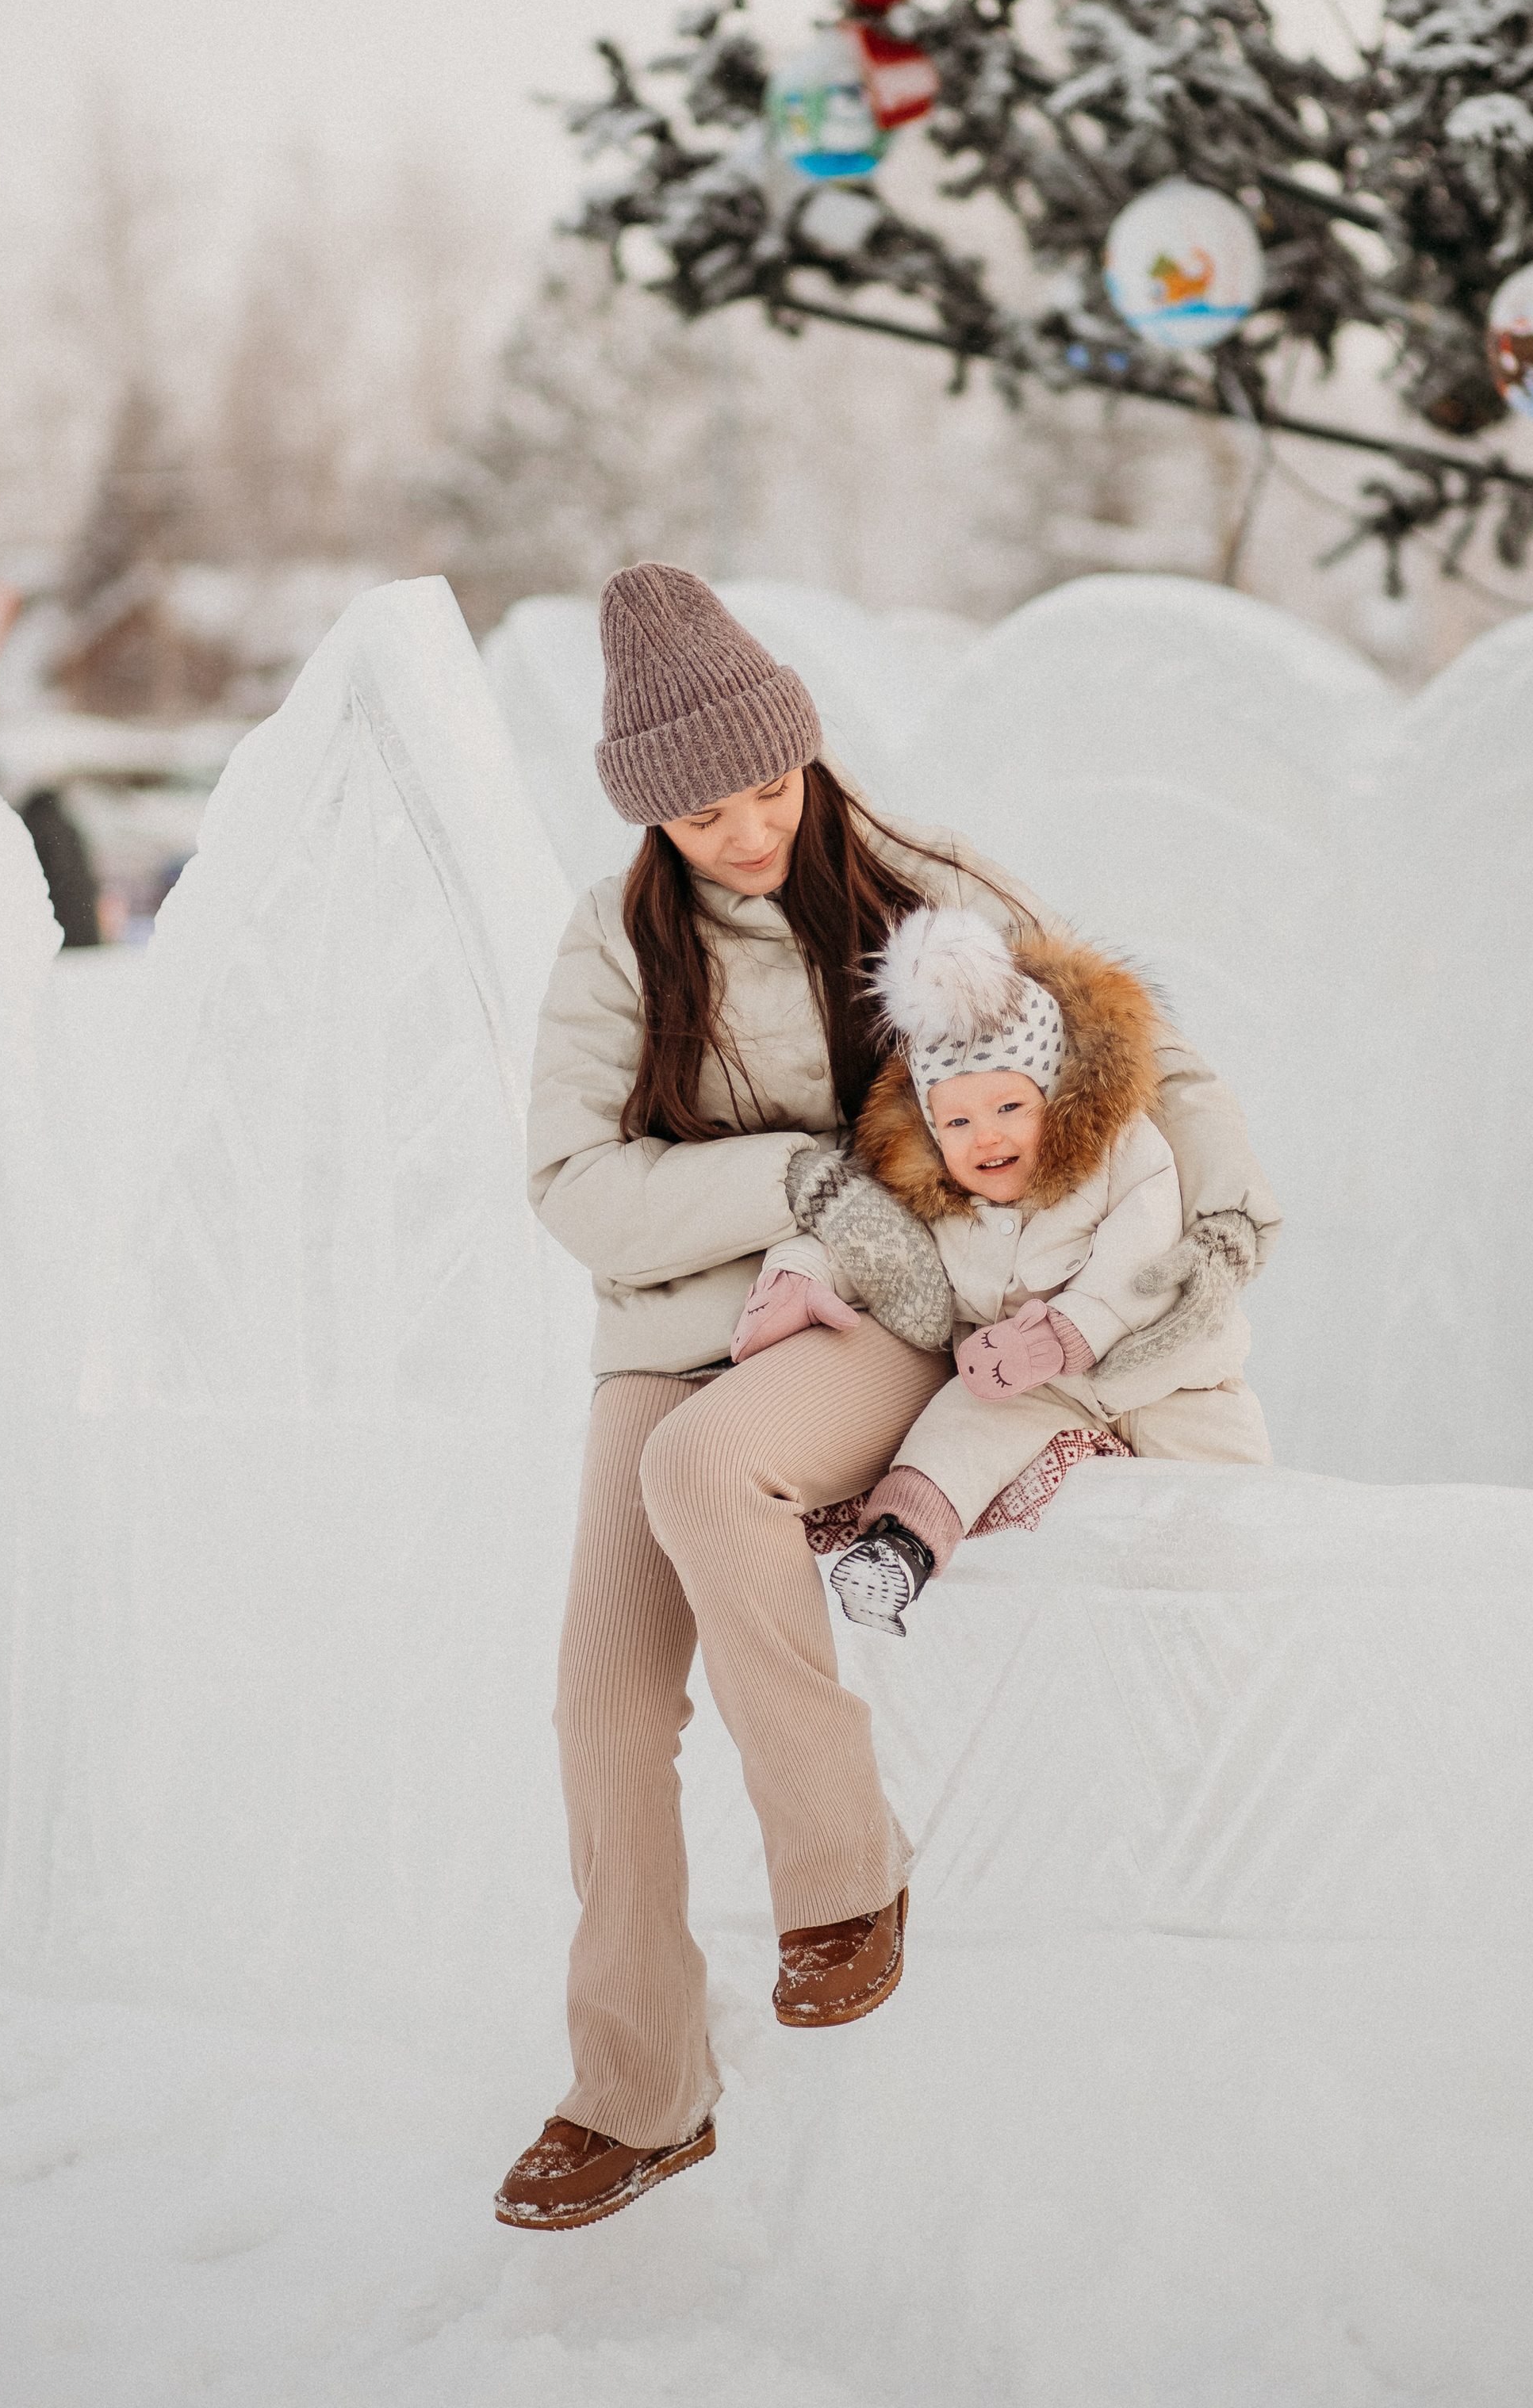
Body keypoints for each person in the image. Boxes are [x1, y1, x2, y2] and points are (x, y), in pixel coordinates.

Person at [495, 564, 1280, 2232]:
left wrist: (1214, 1221)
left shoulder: (922, 889)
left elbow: (1136, 1052)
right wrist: (794, 1180)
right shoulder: (614, 940)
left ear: (805, 749)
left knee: (716, 1468)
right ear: (649, 817)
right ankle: (635, 2095)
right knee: (602, 1706)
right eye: (700, 814)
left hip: (878, 1317)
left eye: (767, 787)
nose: (747, 830)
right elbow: (572, 1185)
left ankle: (842, 1885)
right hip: (675, 1327)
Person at [740, 905, 1273, 1639]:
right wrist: (800, 1271)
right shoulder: (936, 1195)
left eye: (1009, 1107)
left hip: (1170, 1372)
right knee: (956, 1425)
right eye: (956, 1123)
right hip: (1031, 1385)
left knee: (1236, 1507)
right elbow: (865, 1240)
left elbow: (1142, 1256)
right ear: (931, 1129)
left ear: (1053, 1099)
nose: (985, 1135)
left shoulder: (1122, 1153)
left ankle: (1258, 1605)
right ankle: (900, 1547)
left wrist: (1067, 1332)